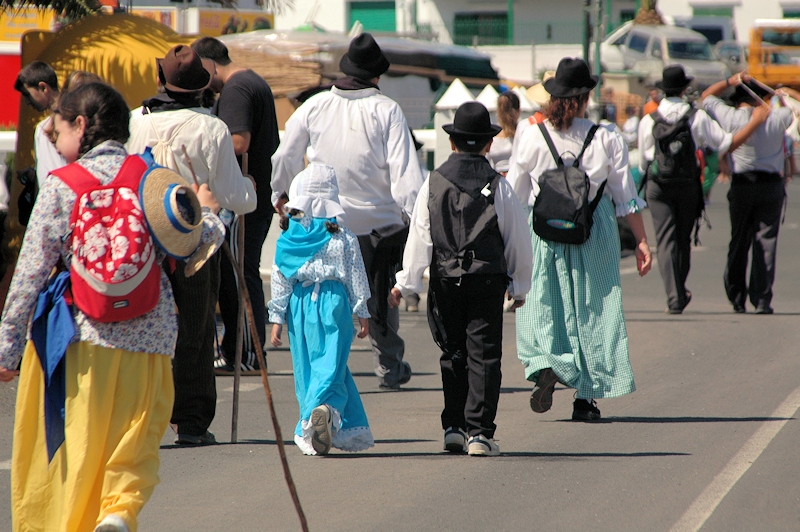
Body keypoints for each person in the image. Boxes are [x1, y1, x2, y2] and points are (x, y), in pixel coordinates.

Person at [0, 82, 225, 532]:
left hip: (80, 339)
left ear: (81, 125)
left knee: (79, 445)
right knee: (135, 438)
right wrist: (207, 211)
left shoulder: (61, 186)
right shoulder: (153, 179)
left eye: (59, 128)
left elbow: (29, 275)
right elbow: (200, 243)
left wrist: (7, 349)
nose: (54, 137)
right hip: (149, 337)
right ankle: (119, 511)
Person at [271, 33, 424, 390]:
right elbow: (405, 173)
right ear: (376, 75)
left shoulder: (315, 106)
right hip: (377, 223)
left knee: (325, 295)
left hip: (324, 223)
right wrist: (416, 217)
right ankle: (388, 366)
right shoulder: (387, 109)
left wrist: (281, 194)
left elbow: (285, 156)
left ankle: (328, 370)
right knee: (380, 295)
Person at [507, 57, 653, 422]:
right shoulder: (606, 137)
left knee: (543, 303)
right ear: (586, 97)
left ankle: (547, 363)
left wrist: (508, 244)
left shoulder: (531, 134)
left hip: (544, 230)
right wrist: (641, 242)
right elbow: (625, 197)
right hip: (593, 230)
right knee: (595, 309)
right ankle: (586, 399)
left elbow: (515, 195)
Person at [127, 44, 257, 445]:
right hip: (195, 241)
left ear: (161, 79)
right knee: (196, 330)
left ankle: (144, 415)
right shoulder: (212, 128)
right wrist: (250, 189)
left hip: (145, 240)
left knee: (144, 327)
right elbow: (235, 197)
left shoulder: (135, 122)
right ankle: (191, 421)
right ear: (202, 85)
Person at [390, 102, 532, 456]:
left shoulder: (433, 182)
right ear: (488, 144)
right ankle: (479, 432)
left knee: (452, 351)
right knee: (484, 354)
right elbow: (517, 238)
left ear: (452, 142)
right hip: (487, 279)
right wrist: (520, 285)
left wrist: (407, 282)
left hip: (445, 277)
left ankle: (453, 427)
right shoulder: (498, 186)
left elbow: (420, 236)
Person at [640, 66, 767, 314]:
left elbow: (644, 158)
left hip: (658, 185)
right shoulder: (696, 117)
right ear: (684, 90)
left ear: (663, 90)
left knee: (665, 241)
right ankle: (679, 289)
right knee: (683, 239)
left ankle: (674, 295)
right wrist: (753, 124)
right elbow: (723, 143)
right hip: (687, 184)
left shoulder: (649, 119)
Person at [268, 163, 374, 456]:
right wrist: (362, 311)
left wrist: (277, 318)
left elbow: (280, 276)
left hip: (299, 305)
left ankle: (316, 417)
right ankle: (325, 410)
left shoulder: (289, 238)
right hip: (334, 302)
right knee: (332, 364)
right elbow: (356, 274)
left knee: (306, 365)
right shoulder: (343, 235)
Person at [192, 36, 281, 375]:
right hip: (251, 195)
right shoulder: (251, 82)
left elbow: (239, 141)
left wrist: (201, 143)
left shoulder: (236, 89)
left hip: (242, 198)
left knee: (238, 276)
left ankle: (246, 354)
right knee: (240, 275)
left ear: (210, 64)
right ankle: (241, 351)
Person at [702, 73, 791, 314]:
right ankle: (761, 299)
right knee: (766, 242)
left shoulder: (730, 117)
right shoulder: (777, 117)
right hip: (770, 184)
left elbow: (706, 97)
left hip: (742, 184)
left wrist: (729, 81)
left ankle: (737, 296)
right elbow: (795, 108)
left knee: (739, 240)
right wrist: (785, 94)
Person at [15, 61, 65, 189]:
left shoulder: (69, 124)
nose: (27, 102)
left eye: (27, 95)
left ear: (43, 88)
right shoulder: (42, 128)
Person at [486, 90, 520, 175]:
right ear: (518, 111)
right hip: (518, 178)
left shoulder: (492, 136)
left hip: (497, 178)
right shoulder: (524, 134)